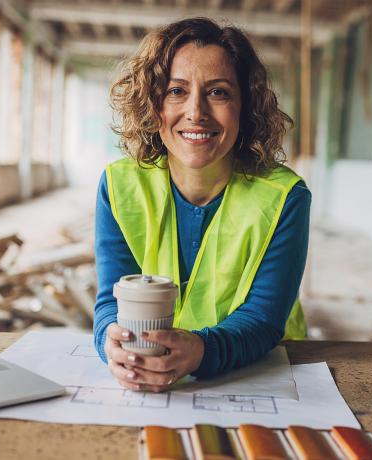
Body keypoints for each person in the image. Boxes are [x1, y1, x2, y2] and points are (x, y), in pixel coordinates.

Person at [93, 17, 311, 392]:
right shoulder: (118, 186)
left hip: (265, 373)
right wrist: (111, 342)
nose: (196, 112)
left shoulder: (284, 198)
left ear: (246, 106)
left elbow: (264, 317)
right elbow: (110, 300)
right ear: (153, 102)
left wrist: (201, 351)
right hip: (152, 377)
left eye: (218, 92)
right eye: (176, 91)